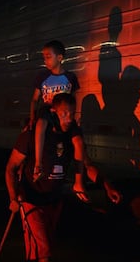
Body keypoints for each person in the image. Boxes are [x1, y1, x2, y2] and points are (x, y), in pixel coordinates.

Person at [6, 93, 122, 262]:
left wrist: (107, 186)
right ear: (53, 112)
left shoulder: (71, 139)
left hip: (54, 201)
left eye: (72, 114)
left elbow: (87, 165)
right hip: (31, 199)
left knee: (47, 247)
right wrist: (12, 197)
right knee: (42, 252)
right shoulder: (31, 136)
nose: (69, 119)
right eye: (64, 114)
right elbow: (10, 167)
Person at [28, 40, 88, 202]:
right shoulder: (42, 77)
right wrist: (32, 117)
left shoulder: (70, 77)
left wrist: (76, 116)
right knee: (41, 125)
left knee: (79, 142)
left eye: (48, 57)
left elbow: (75, 98)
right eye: (44, 57)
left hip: (66, 113)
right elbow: (34, 99)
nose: (45, 60)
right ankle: (38, 164)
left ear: (60, 57)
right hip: (49, 111)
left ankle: (78, 182)